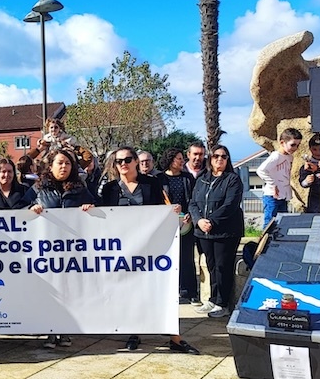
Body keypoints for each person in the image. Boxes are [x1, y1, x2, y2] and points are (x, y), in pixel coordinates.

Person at [99, 147, 200, 354]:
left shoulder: (152, 184)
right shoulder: (109, 189)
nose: (123, 164)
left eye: (127, 159)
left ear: (136, 161)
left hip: (151, 248)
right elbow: (102, 217)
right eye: (119, 161)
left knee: (161, 289)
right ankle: (134, 333)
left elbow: (162, 210)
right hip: (123, 251)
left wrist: (172, 212)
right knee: (130, 292)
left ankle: (174, 336)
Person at [28, 149, 95, 349]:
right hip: (45, 250)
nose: (64, 167)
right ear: (51, 166)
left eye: (67, 163)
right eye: (60, 163)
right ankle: (51, 331)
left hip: (72, 250)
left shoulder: (80, 189)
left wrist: (90, 208)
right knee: (51, 292)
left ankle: (65, 331)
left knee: (68, 290)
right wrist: (30, 210)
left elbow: (98, 207)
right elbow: (20, 210)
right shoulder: (38, 189)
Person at [190, 145, 245, 319]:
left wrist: (212, 221)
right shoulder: (202, 179)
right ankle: (213, 299)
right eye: (216, 156)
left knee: (223, 267)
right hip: (204, 232)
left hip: (225, 232)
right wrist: (199, 220)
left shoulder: (232, 179)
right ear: (210, 159)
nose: (219, 159)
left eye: (223, 156)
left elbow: (230, 205)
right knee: (211, 266)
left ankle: (223, 303)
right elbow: (193, 202)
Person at [156, 148, 198, 305]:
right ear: (170, 160)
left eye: (182, 158)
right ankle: (172, 290)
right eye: (179, 158)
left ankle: (190, 291)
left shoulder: (188, 178)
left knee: (187, 258)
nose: (182, 161)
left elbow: (193, 200)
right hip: (166, 226)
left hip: (185, 224)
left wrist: (190, 215)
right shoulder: (159, 179)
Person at [257, 128, 302, 227]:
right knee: (270, 222)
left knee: (282, 222)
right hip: (271, 196)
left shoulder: (290, 157)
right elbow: (261, 170)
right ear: (282, 142)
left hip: (283, 195)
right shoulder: (276, 156)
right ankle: (266, 241)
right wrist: (273, 184)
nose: (295, 148)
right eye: (293, 145)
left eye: (297, 145)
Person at [300, 136, 320, 213]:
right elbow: (302, 183)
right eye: (314, 149)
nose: (318, 152)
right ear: (310, 149)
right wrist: (307, 181)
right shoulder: (307, 165)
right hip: (315, 199)